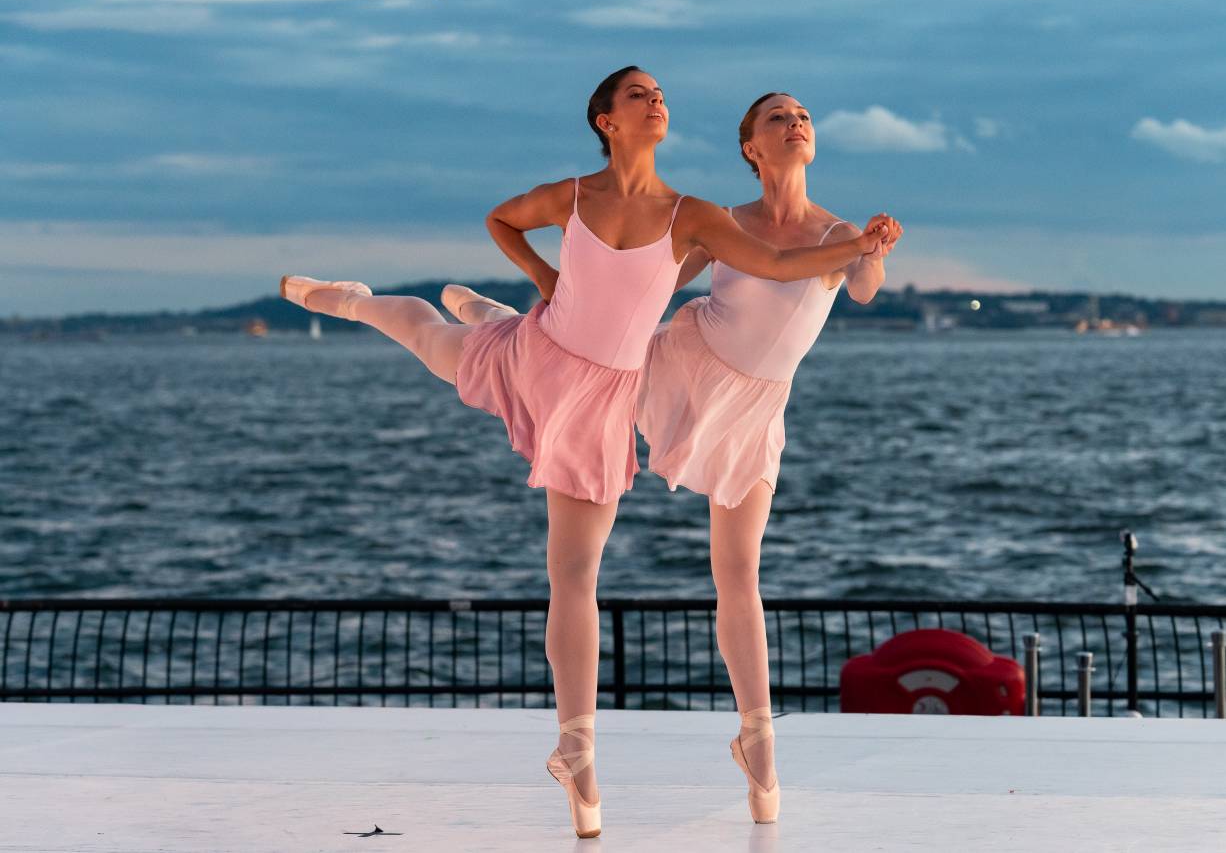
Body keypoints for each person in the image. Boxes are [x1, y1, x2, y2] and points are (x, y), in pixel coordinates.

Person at [282, 68, 893, 839]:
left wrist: (867, 247)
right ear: (606, 121)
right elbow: (565, 249)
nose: (657, 101)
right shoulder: (634, 206)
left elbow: (815, 275)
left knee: (666, 570)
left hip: (680, 394)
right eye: (638, 95)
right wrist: (546, 277)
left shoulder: (740, 222)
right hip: (612, 358)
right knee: (434, 339)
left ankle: (695, 740)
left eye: (660, 94)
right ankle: (360, 301)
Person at [635, 91, 902, 823]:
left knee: (737, 573)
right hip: (689, 359)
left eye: (804, 116)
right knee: (573, 375)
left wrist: (871, 249)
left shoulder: (838, 232)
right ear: (751, 146)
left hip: (756, 410)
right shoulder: (725, 225)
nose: (796, 123)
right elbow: (653, 283)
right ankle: (497, 327)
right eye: (778, 118)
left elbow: (868, 289)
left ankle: (758, 741)